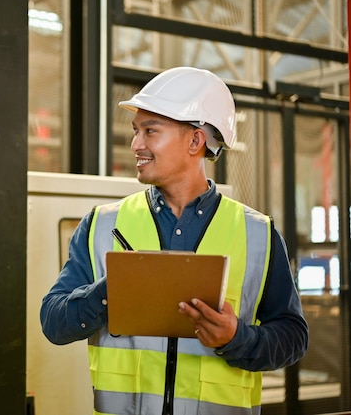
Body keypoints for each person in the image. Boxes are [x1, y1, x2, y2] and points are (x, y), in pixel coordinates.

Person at [40, 66, 308, 415]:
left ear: (195, 141)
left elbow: (293, 337)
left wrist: (236, 338)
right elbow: (54, 323)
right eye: (136, 131)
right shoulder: (100, 225)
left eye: (150, 131)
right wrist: (110, 291)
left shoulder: (258, 234)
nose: (136, 144)